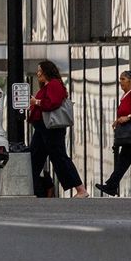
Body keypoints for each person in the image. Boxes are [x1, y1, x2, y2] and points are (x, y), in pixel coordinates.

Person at [26, 60, 85, 198]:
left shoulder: (54, 84)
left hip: (51, 128)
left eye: (40, 70)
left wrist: (37, 102)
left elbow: (53, 103)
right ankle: (28, 189)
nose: (38, 73)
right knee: (34, 158)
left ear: (47, 71)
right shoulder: (47, 86)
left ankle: (81, 189)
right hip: (42, 128)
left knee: (59, 157)